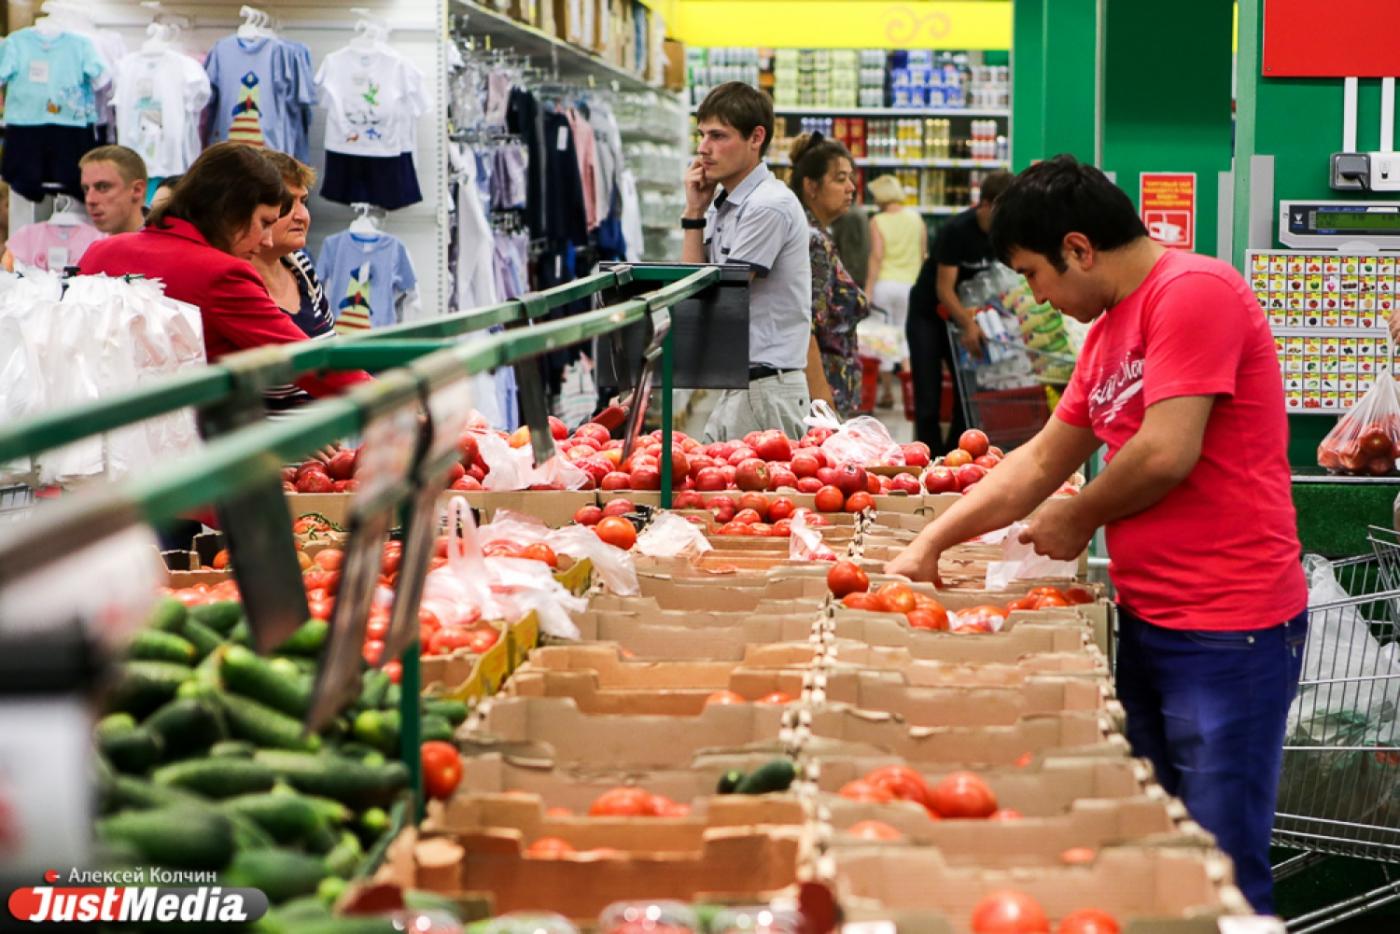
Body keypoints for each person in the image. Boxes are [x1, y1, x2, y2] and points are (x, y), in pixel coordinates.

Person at [886, 155, 1307, 916]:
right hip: (1151, 620)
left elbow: (1165, 449)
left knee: (1218, 865)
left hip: (1229, 626)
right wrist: (931, 543)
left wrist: (1079, 515)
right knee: (1154, 852)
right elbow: (1045, 456)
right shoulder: (1112, 328)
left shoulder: (1194, 293)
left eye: (1034, 274)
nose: (1034, 295)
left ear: (1078, 249)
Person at [79, 142, 369, 400]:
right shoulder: (222, 273)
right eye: (265, 223)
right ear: (232, 211)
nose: (267, 239)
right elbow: (302, 360)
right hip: (183, 446)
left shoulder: (100, 252)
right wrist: (394, 399)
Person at [682, 81, 815, 442]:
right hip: (743, 385)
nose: (703, 148)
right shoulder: (728, 204)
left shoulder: (767, 206)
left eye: (717, 136)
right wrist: (694, 213)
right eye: (701, 134)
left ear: (756, 137)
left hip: (765, 390)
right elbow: (695, 287)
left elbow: (716, 299)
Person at [906, 170, 1014, 452]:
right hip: (929, 315)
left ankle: (955, 456)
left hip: (966, 316)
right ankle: (927, 459)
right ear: (986, 204)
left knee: (967, 394)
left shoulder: (1004, 234)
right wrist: (968, 325)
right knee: (928, 397)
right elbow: (944, 289)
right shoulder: (957, 231)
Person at [250, 152, 340, 413]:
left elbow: (333, 359)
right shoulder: (232, 281)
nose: (302, 215)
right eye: (288, 203)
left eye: (304, 202)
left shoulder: (300, 266)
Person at [787, 132, 869, 418]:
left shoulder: (817, 234)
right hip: (821, 396)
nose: (851, 188)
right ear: (811, 186)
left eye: (850, 178)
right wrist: (823, 405)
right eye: (840, 179)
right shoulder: (813, 242)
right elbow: (806, 326)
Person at [865, 174, 926, 408]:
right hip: (910, 285)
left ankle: (887, 392)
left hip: (885, 285)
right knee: (905, 334)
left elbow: (877, 257)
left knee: (884, 338)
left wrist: (869, 290)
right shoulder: (916, 219)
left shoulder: (877, 221)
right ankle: (911, 389)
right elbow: (922, 253)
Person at [79, 145, 148, 235]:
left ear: (137, 190)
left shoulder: (164, 245)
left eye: (103, 187)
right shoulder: (86, 243)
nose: (90, 200)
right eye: (86, 189)